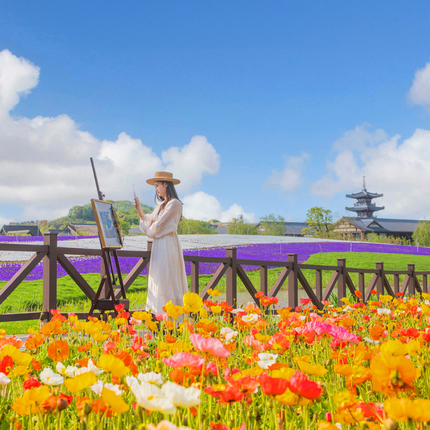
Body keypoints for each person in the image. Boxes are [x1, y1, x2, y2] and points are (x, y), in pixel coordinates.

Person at [133, 171, 188, 316]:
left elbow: (159, 226)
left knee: (168, 277)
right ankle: (158, 314)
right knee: (158, 277)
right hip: (159, 245)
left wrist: (151, 230)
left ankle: (172, 317)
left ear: (166, 184)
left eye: (157, 185)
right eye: (155, 186)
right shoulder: (160, 205)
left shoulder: (174, 203)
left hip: (168, 243)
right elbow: (150, 222)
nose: (156, 189)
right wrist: (139, 208)